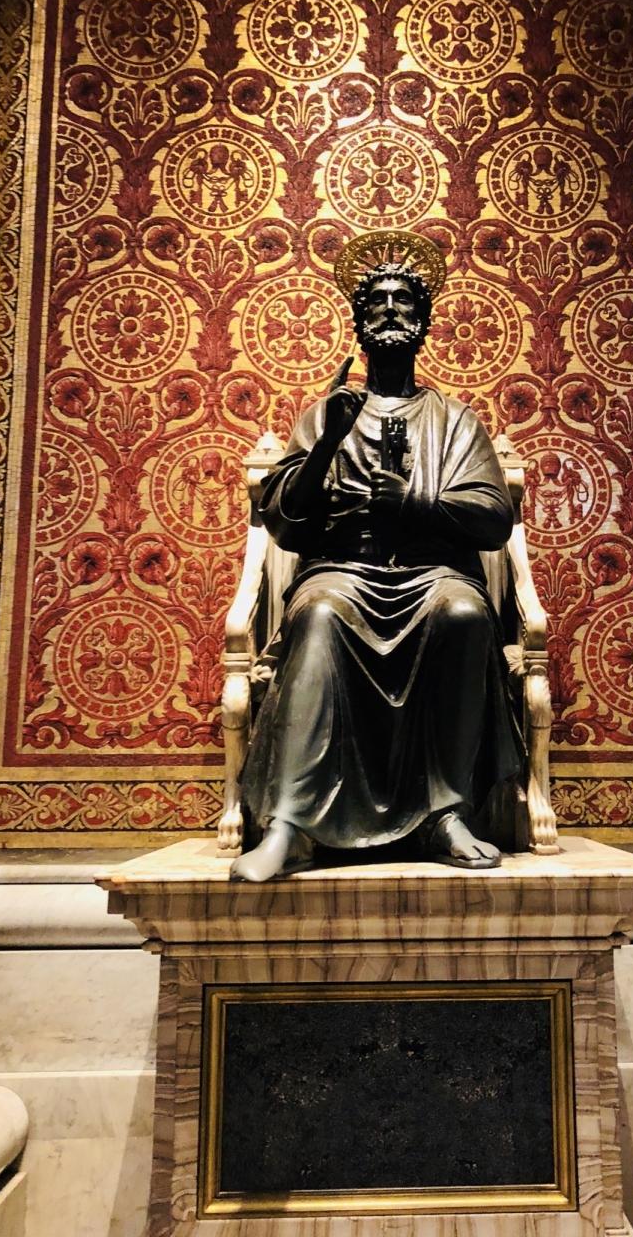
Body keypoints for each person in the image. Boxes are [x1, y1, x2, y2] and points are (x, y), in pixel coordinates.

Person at [231, 234, 523, 882]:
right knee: (319, 615)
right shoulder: (324, 415)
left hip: (433, 574)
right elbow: (286, 523)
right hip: (342, 572)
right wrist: (328, 442)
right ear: (360, 323)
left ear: (424, 322)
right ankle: (287, 825)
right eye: (377, 302)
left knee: (462, 614)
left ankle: (447, 812)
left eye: (403, 301)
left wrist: (413, 503)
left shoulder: (455, 420)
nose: (390, 309)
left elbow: (492, 517)